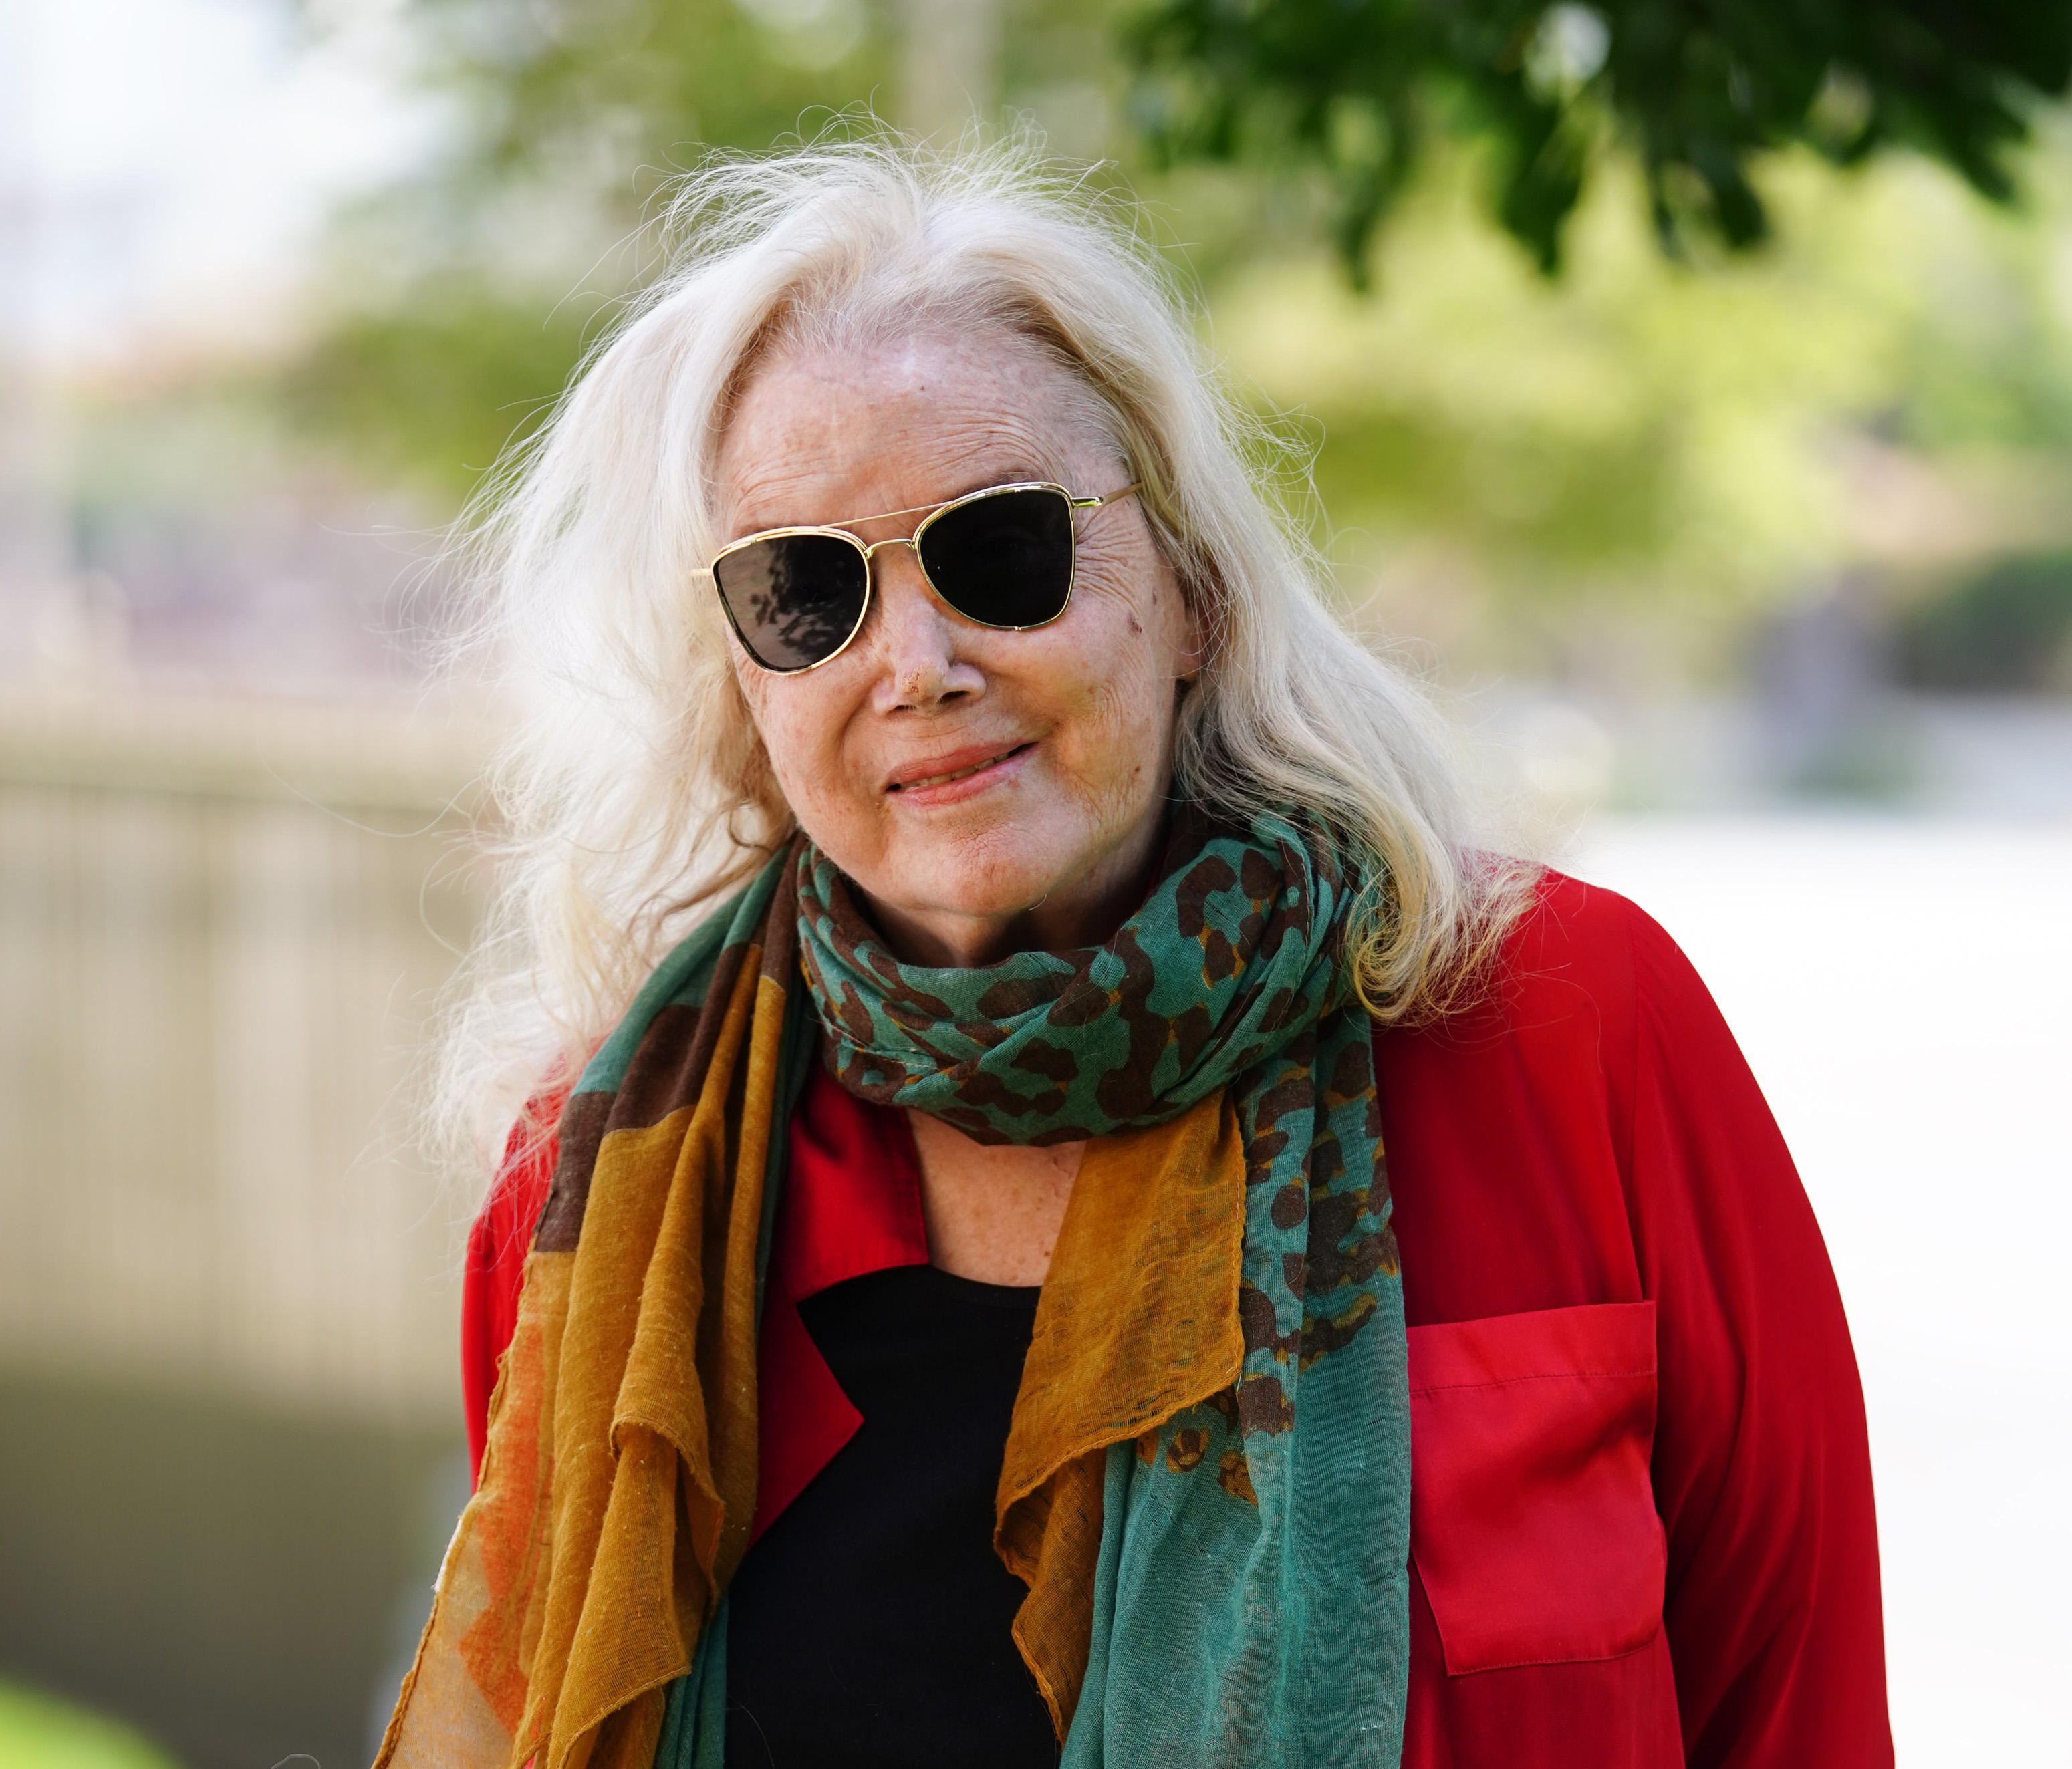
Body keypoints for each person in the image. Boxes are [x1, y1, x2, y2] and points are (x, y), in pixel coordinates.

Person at [376, 142, 1890, 1769]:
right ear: (741, 686)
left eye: (1001, 548)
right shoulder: (598, 1199)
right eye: (801, 591)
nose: (916, 664)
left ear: (1193, 595)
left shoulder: (1564, 1021)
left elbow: (1798, 1714)